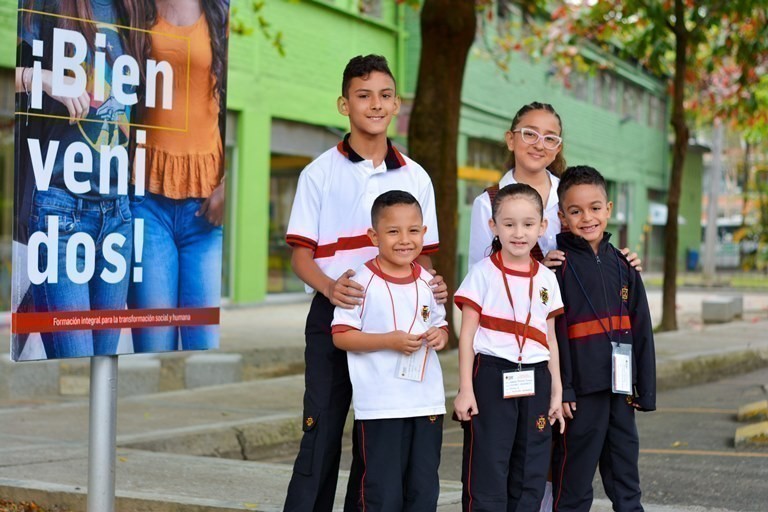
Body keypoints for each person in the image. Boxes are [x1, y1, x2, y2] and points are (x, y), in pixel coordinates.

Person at [282, 54, 447, 512]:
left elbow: (425, 255)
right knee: (322, 430)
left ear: (397, 104)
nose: (375, 104)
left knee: (377, 437)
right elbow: (301, 255)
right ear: (344, 104)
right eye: (363, 95)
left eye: (385, 95)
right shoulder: (319, 172)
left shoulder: (416, 176)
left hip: (396, 322)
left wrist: (433, 294)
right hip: (336, 318)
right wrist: (331, 289)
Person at [15, 0, 148, 359]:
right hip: (61, 205)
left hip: (118, 211)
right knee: (74, 360)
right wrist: (39, 78)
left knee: (103, 368)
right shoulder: (46, 4)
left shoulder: (135, 10)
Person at [331, 190, 448, 511]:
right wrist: (388, 340)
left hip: (427, 403)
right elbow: (341, 336)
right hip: (381, 407)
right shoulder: (360, 281)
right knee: (382, 492)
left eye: (413, 230)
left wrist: (440, 335)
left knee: (423, 490)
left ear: (424, 233)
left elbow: (442, 325)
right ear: (374, 235)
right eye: (393, 231)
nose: (404, 239)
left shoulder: (429, 281)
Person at [454, 183, 566, 511]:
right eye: (509, 224)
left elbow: (551, 338)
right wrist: (465, 390)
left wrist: (556, 392)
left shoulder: (546, 278)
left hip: (536, 379)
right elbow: (467, 337)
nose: (519, 233)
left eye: (529, 224)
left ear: (542, 227)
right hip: (491, 375)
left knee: (530, 466)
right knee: (488, 463)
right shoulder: (481, 274)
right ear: (493, 226)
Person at [551, 165, 656, 512]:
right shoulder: (557, 269)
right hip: (581, 395)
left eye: (595, 208)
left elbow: (641, 329)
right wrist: (563, 388)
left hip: (621, 390)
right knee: (575, 483)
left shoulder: (625, 266)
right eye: (575, 210)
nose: (587, 218)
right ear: (561, 215)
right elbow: (554, 335)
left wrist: (646, 387)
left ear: (608, 209)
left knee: (626, 477)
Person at [127, 0, 229, 352]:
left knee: (203, 343)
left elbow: (235, 99)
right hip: (147, 201)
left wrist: (229, 185)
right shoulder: (136, 8)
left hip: (205, 207)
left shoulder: (222, 11)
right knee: (153, 342)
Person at [467, 101, 641, 272]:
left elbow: (593, 250)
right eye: (530, 134)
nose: (539, 144)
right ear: (511, 140)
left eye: (550, 138)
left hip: (575, 300)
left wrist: (619, 261)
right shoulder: (487, 203)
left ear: (558, 148)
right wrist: (537, 271)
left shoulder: (571, 194)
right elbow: (478, 276)